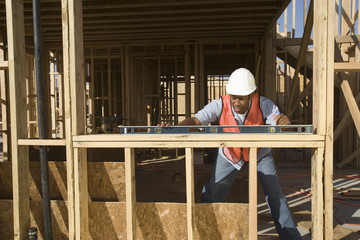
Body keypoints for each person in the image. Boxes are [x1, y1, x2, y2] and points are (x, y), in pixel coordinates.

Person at [159, 68, 301, 240]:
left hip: (259, 154)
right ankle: (201, 233)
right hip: (230, 155)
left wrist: (283, 122)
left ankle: (292, 237)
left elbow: (280, 122)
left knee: (275, 194)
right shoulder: (220, 104)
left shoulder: (265, 104)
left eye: (241, 98)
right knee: (213, 191)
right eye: (233, 97)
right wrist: (175, 127)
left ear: (251, 95)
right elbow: (196, 121)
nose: (236, 102)